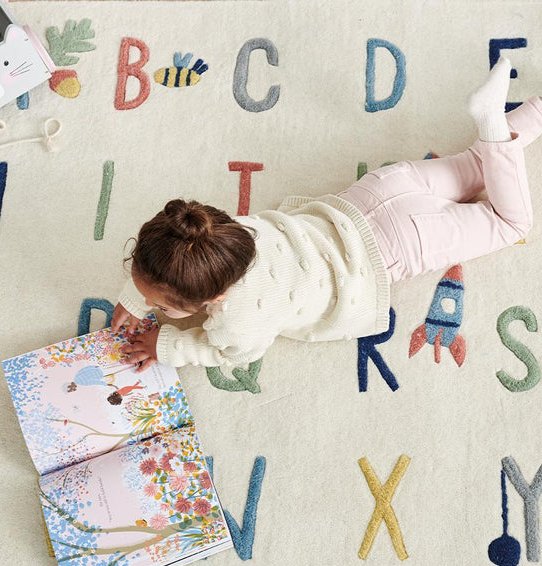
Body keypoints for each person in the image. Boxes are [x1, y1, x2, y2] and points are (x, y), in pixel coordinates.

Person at [110, 57, 542, 371]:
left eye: (157, 304)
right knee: (477, 164)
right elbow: (170, 259)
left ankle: (492, 123)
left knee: (511, 223)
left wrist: (165, 345)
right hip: (376, 192)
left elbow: (227, 353)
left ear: (214, 299)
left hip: (401, 244)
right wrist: (137, 295)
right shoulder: (222, 233)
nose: (151, 307)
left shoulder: (240, 319)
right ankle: (526, 111)